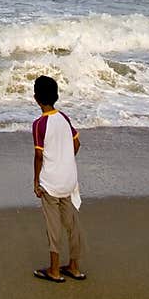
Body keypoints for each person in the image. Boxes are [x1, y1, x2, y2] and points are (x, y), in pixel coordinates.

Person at [31, 74, 86, 282]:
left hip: (51, 182)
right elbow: (77, 144)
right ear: (55, 96)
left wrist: (36, 181)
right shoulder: (64, 118)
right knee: (72, 224)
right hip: (69, 180)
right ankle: (74, 267)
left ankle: (54, 270)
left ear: (36, 97)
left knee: (53, 227)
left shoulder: (39, 124)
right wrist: (66, 161)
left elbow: (38, 155)